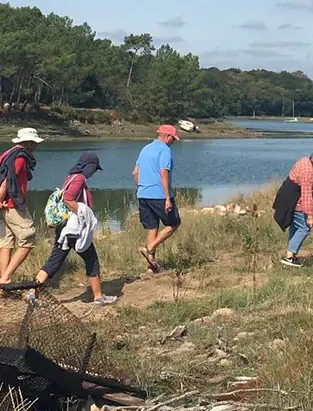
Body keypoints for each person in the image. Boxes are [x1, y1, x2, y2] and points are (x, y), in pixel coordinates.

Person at [32, 153, 117, 305]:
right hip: (75, 230)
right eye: (94, 169)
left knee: (54, 260)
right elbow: (68, 198)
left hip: (64, 228)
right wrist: (83, 214)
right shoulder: (79, 178)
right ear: (88, 166)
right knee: (92, 260)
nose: (94, 172)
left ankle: (33, 292)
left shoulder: (70, 176)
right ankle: (98, 297)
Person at [133, 125, 181, 272]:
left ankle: (151, 267)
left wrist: (141, 189)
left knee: (152, 227)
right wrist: (167, 198)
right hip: (159, 194)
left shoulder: (145, 149)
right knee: (174, 223)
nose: (173, 141)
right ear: (167, 136)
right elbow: (163, 174)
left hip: (143, 194)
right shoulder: (164, 150)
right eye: (173, 138)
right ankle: (149, 248)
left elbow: (135, 173)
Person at [0, 128, 42, 286]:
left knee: (6, 241)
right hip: (13, 205)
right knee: (28, 238)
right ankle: (5, 277)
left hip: (5, 205)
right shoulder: (20, 158)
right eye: (35, 143)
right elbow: (7, 180)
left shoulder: (7, 153)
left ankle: (4, 281)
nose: (36, 146)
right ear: (29, 142)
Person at [277, 147, 313, 267]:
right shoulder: (308, 170)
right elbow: (306, 194)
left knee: (295, 226)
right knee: (304, 227)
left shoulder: (304, 160)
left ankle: (290, 255)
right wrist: (309, 216)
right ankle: (289, 256)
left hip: (287, 195)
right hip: (294, 199)